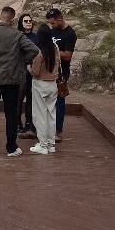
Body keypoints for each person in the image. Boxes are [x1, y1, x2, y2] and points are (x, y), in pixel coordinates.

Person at [0, 6, 40, 157]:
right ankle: (11, 147)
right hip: (11, 81)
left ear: (0, 16)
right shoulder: (17, 35)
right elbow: (34, 50)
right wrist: (23, 62)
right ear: (13, 19)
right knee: (11, 115)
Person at [43, 8, 76, 141]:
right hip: (48, 70)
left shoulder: (70, 33)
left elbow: (67, 56)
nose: (52, 26)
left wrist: (52, 50)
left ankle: (57, 130)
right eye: (50, 24)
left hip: (62, 73)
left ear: (60, 19)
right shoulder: (51, 31)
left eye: (53, 23)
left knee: (59, 101)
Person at [28, 30, 61, 154]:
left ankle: (43, 145)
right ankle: (51, 144)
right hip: (53, 84)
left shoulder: (39, 53)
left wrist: (29, 68)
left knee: (39, 115)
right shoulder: (55, 49)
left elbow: (35, 71)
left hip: (40, 84)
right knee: (51, 114)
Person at [16, 13, 37, 138]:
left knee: (31, 100)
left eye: (30, 21)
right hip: (20, 72)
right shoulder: (18, 36)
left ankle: (29, 123)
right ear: (21, 23)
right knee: (18, 100)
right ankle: (18, 123)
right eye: (25, 21)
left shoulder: (36, 37)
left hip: (33, 74)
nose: (28, 23)